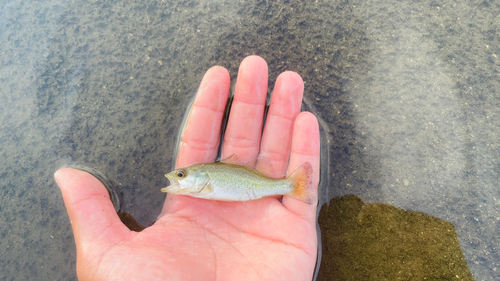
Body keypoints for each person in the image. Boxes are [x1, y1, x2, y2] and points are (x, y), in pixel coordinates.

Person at [55, 55, 320, 280]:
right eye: (179, 175)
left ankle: (291, 185)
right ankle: (291, 185)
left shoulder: (207, 184)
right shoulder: (202, 188)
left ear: (200, 177)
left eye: (181, 175)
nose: (177, 177)